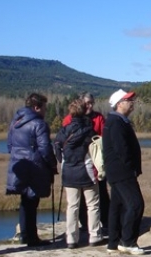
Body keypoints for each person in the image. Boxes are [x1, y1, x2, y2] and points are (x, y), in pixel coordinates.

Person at [6, 93, 57, 247]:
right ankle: (32, 238)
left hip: (19, 165)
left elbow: (9, 145)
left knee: (24, 200)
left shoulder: (16, 121)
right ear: (37, 107)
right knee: (32, 201)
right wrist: (52, 164)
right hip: (35, 167)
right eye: (44, 108)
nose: (45, 111)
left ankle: (24, 234)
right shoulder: (39, 124)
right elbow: (45, 149)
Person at [54, 99, 101, 248]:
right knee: (92, 205)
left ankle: (71, 239)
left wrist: (62, 160)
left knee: (72, 206)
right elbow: (96, 151)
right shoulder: (89, 130)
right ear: (83, 111)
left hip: (68, 171)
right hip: (87, 171)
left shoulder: (63, 131)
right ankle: (94, 236)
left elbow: (57, 148)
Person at [103, 89, 145, 255]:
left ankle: (113, 243)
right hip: (122, 172)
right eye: (128, 100)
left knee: (117, 206)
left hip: (117, 172)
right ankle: (127, 241)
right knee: (136, 204)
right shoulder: (116, 122)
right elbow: (122, 149)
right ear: (119, 104)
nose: (132, 103)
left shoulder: (117, 120)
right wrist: (131, 167)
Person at [62, 92, 109, 231]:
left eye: (92, 103)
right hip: (77, 163)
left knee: (102, 193)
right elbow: (64, 141)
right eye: (87, 103)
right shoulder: (69, 119)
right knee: (78, 198)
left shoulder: (98, 117)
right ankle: (84, 224)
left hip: (96, 162)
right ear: (81, 103)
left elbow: (104, 137)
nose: (90, 106)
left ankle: (105, 221)